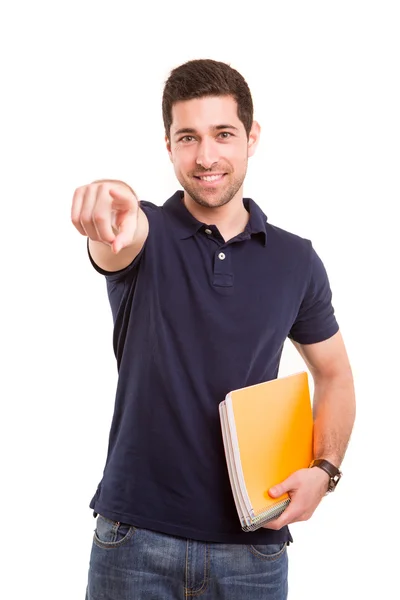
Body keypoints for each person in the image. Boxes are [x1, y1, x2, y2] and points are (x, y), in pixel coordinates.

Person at [72, 58, 356, 600]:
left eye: (223, 134)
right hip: (134, 541)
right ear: (169, 145)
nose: (206, 157)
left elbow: (336, 374)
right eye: (188, 137)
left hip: (254, 544)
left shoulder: (296, 260)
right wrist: (110, 203)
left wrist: (325, 470)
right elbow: (116, 235)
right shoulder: (144, 231)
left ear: (251, 137)